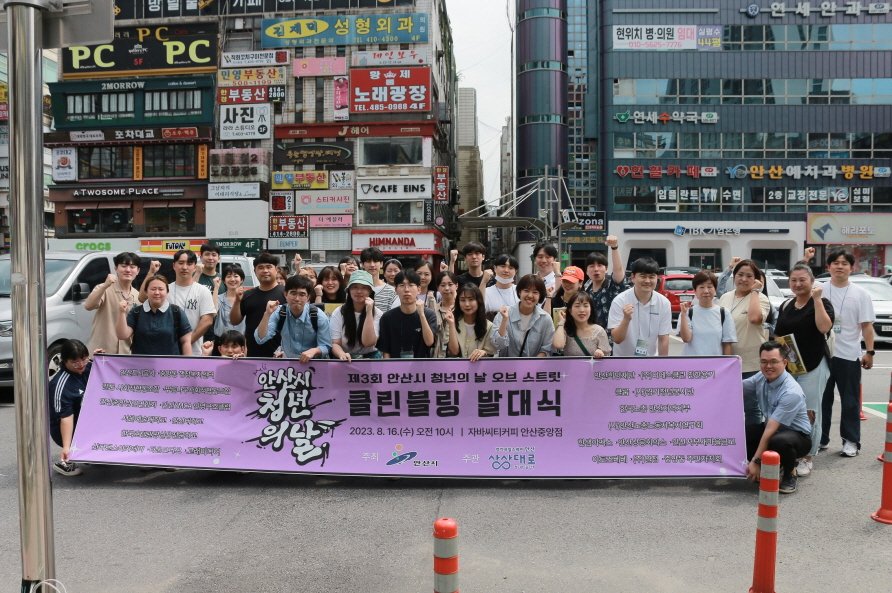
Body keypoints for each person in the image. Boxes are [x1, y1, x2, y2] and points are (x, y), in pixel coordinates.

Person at [774, 263, 834, 476]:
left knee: (810, 411)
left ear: (812, 281)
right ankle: (791, 452)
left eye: (803, 280)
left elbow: (824, 327)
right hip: (791, 366)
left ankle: (808, 456)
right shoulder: (787, 305)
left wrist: (816, 299)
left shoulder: (822, 303)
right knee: (790, 409)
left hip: (814, 364)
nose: (798, 284)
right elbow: (778, 334)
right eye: (794, 280)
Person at [819, 248, 876, 457]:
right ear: (828, 267)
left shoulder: (861, 294)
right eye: (835, 263)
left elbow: (867, 326)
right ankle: (821, 439)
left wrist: (870, 352)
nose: (840, 266)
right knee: (821, 400)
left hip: (849, 355)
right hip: (822, 355)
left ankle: (851, 441)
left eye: (844, 263)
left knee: (850, 401)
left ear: (852, 268)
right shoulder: (819, 290)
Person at [745, 341, 814, 494]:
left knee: (779, 441)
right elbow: (737, 387)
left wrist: (756, 461)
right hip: (773, 429)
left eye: (773, 361)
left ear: (784, 362)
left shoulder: (791, 392)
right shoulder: (761, 377)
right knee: (745, 433)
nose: (768, 366)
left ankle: (790, 472)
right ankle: (768, 468)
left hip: (797, 437)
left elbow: (770, 429)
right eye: (764, 361)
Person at [718, 259, 771, 428]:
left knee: (751, 407)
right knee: (727, 405)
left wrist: (755, 291)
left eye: (749, 276)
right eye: (740, 274)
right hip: (727, 361)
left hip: (750, 364)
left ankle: (751, 441)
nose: (744, 279)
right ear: (734, 276)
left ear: (756, 279)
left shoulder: (761, 298)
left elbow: (755, 318)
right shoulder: (725, 297)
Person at [256, 275, 332, 362]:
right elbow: (260, 339)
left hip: (313, 364)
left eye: (302, 294)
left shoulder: (318, 316)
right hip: (288, 365)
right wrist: (267, 314)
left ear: (308, 297)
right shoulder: (279, 312)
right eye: (293, 293)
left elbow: (326, 346)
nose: (297, 299)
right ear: (285, 294)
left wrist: (315, 351)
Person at [608, 257, 672, 357]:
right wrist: (626, 319)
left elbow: (663, 339)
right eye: (643, 276)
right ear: (633, 277)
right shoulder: (620, 301)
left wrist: (662, 363)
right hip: (623, 360)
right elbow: (617, 339)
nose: (647, 281)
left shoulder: (664, 303)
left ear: (657, 278)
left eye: (652, 277)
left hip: (650, 361)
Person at [118, 274, 192, 356]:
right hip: (141, 363)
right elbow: (122, 335)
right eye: (153, 289)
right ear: (146, 292)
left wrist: (187, 363)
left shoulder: (176, 312)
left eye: (161, 289)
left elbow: (186, 341)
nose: (157, 292)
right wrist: (121, 312)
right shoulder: (136, 312)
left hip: (170, 363)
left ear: (167, 292)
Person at [48, 339, 91, 476]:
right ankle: (67, 460)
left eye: (83, 359)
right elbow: (65, 418)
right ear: (65, 361)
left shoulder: (88, 366)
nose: (81, 365)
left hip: (87, 422)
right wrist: (67, 447)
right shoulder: (60, 384)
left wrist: (103, 358)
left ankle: (88, 453)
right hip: (66, 427)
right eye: (75, 362)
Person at [83, 251, 141, 354]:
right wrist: (105, 285)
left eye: (132, 267)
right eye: (123, 266)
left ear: (138, 271)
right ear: (116, 268)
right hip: (101, 352)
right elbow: (88, 306)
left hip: (126, 353)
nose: (128, 270)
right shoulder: (104, 288)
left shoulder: (137, 296)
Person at [230, 252, 286, 358]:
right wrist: (237, 301)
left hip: (281, 355)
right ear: (255, 271)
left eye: (269, 267)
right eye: (260, 267)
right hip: (253, 354)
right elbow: (234, 321)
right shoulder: (247, 295)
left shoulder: (287, 294)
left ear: (276, 270)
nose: (265, 271)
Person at [163, 249, 216, 356]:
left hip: (194, 352)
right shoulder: (164, 290)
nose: (184, 267)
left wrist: (185, 343)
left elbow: (207, 321)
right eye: (181, 263)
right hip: (166, 351)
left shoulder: (203, 291)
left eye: (189, 263)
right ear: (174, 265)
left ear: (195, 267)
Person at [377, 269, 438, 358]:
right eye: (402, 285)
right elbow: (386, 351)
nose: (406, 290)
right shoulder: (387, 317)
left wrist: (421, 315)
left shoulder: (429, 314)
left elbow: (429, 342)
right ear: (396, 290)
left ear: (419, 289)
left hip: (422, 365)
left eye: (411, 285)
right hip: (395, 365)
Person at [491, 274, 554, 357]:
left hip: (535, 365)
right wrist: (505, 320)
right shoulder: (504, 314)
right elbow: (497, 345)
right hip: (507, 365)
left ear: (540, 296)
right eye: (526, 291)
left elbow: (547, 348)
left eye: (535, 292)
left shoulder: (545, 318)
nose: (530, 295)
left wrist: (532, 363)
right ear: (519, 292)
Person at [677, 270, 737, 356]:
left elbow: (727, 344)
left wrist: (726, 363)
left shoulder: (724, 313)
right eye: (701, 287)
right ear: (695, 291)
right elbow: (686, 338)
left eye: (709, 287)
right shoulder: (688, 312)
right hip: (692, 363)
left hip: (715, 363)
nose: (706, 291)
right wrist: (683, 314)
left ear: (715, 289)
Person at [330, 270, 382, 361]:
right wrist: (342, 354)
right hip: (345, 358)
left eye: (364, 288)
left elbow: (368, 342)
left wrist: (369, 312)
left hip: (371, 358)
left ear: (370, 291)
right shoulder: (338, 312)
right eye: (354, 287)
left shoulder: (378, 314)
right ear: (349, 290)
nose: (359, 291)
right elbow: (335, 343)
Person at [582, 235, 627, 329]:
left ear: (606, 269)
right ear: (586, 271)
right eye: (592, 266)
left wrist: (614, 247)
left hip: (613, 335)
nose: (596, 269)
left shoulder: (612, 284)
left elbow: (618, 270)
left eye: (600, 265)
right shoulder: (586, 288)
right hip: (591, 334)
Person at [448, 283, 497, 360]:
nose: (467, 304)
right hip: (456, 367)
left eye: (471, 299)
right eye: (462, 300)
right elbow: (454, 352)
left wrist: (483, 352)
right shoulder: (451, 322)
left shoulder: (489, 326)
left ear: (478, 301)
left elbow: (490, 353)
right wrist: (451, 324)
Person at [553, 291, 610, 358]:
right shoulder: (566, 329)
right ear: (570, 310)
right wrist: (562, 322)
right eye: (577, 306)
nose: (582, 310)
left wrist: (600, 352)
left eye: (586, 306)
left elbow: (607, 357)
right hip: (570, 365)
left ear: (591, 309)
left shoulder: (599, 331)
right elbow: (558, 345)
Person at [213, 264, 247, 338]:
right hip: (221, 340)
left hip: (242, 340)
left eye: (236, 276)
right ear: (224, 281)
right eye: (228, 276)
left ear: (241, 280)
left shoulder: (247, 298)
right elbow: (213, 313)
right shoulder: (219, 298)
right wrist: (216, 287)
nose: (232, 279)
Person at [431, 271, 459, 358]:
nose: (447, 288)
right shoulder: (433, 311)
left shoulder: (462, 309)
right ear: (438, 288)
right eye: (443, 285)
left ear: (456, 286)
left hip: (459, 358)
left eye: (450, 284)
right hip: (437, 358)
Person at [360, 247, 397, 313]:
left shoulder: (391, 291)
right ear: (362, 264)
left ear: (381, 264)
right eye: (368, 261)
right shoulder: (355, 290)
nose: (372, 265)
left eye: (375, 261)